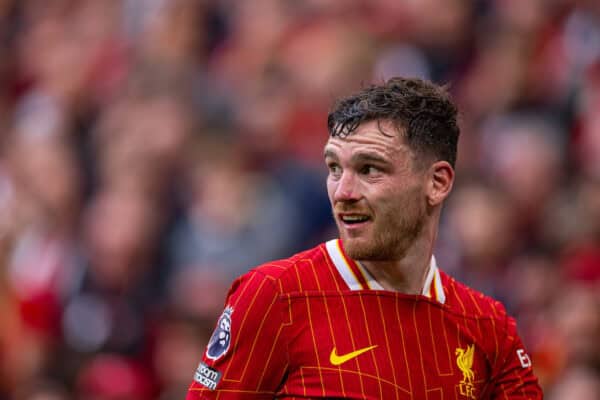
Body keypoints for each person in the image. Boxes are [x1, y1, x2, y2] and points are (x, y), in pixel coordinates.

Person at [185, 77, 543, 399]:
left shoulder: (488, 327)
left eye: (369, 169)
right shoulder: (275, 295)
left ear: (437, 183)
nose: (343, 192)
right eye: (334, 168)